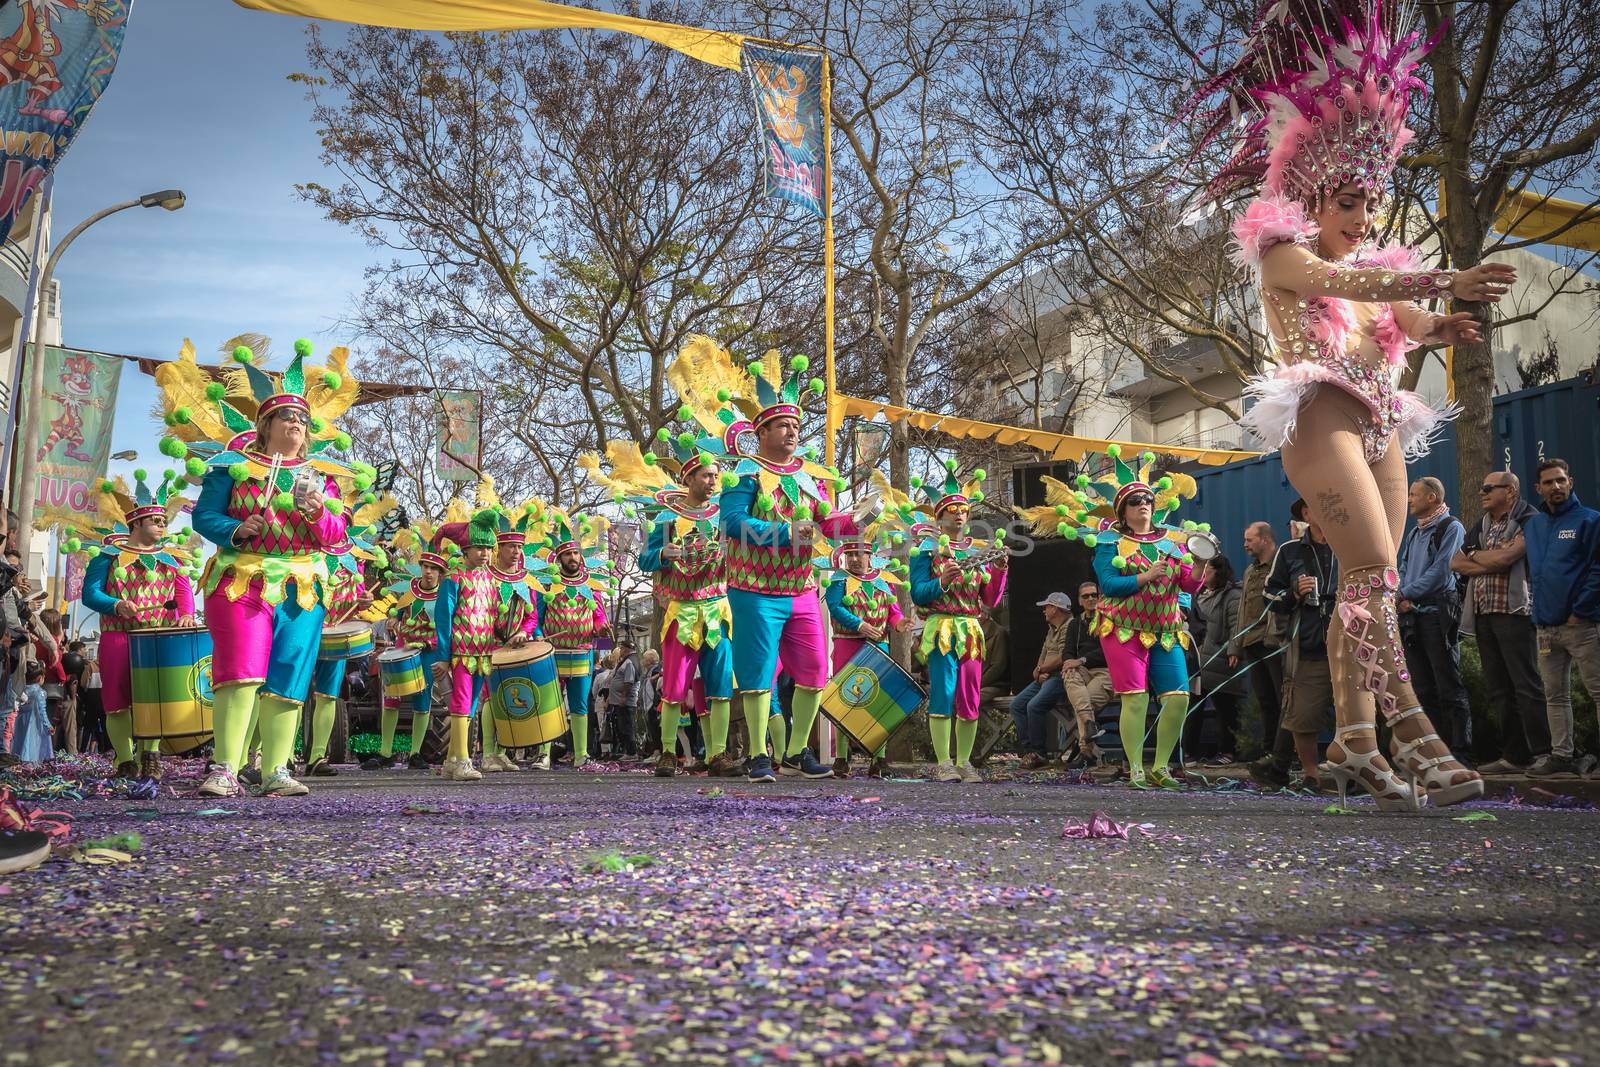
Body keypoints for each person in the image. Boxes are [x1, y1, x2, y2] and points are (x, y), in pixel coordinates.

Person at [1185, 0, 1503, 808]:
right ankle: (1417, 738)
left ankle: (1356, 735)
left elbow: (1404, 319)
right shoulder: (1282, 254)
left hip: (1381, 421)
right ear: (1313, 200)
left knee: (1372, 586)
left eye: (1369, 203)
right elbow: (1343, 283)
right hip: (1321, 414)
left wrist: (1444, 322)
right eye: (1347, 204)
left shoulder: (1379, 263)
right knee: (1373, 569)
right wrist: (1439, 277)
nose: (1362, 219)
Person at [169, 339, 360, 799]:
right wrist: (237, 528)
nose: (295, 423)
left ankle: (277, 769)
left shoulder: (324, 477)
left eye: (302, 419)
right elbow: (204, 517)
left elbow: (338, 536)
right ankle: (225, 769)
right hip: (242, 580)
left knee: (289, 675)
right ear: (265, 425)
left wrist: (318, 513)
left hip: (304, 587)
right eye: (286, 417)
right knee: (240, 672)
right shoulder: (231, 469)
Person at [689, 338, 847, 784]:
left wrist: (858, 522)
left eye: (796, 426)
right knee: (757, 673)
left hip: (801, 589)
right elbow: (733, 523)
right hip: (754, 589)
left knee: (816, 671)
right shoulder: (742, 474)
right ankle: (760, 753)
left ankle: (796, 751)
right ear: (760, 433)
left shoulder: (809, 477)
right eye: (782, 425)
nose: (792, 432)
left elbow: (825, 522)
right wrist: (785, 532)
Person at [584, 428, 737, 779]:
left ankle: (717, 754)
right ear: (690, 478)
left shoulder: (723, 516)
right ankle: (668, 752)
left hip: (717, 608)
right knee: (674, 686)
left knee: (719, 685)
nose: (713, 481)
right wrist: (662, 554)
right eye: (707, 475)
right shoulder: (669, 518)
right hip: (680, 610)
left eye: (716, 475)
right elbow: (644, 558)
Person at [80, 472, 198, 782]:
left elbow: (184, 592)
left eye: (163, 521)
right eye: (155, 521)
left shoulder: (173, 557)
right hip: (117, 635)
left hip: (157, 637)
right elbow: (90, 593)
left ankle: (151, 757)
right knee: (117, 703)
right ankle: (124, 759)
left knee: (154, 700)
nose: (162, 525)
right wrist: (116, 604)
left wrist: (186, 614)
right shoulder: (107, 556)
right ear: (135, 524)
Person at [906, 466, 1008, 783]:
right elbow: (919, 593)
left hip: (970, 629)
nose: (960, 516)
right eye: (953, 510)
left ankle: (965, 761)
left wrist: (1002, 570)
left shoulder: (977, 551)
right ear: (940, 516)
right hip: (941, 627)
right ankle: (943, 762)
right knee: (944, 691)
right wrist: (942, 582)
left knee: (969, 693)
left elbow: (990, 598)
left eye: (964, 510)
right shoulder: (925, 549)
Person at [1451, 471, 1549, 773]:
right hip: (1483, 612)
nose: (1481, 493)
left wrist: (1478, 558)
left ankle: (1543, 753)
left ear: (1511, 491)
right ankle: (1514, 755)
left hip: (1514, 612)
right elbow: (1456, 562)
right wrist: (1490, 559)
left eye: (1488, 488)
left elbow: (1508, 560)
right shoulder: (1481, 524)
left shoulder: (1528, 519)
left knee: (1525, 684)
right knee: (1498, 688)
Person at [1523, 458, 1600, 777]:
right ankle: (1562, 756)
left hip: (1580, 626)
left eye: (1561, 480)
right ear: (1538, 488)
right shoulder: (1534, 526)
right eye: (1549, 482)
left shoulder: (1590, 521)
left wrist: (1580, 611)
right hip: (1545, 628)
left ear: (1571, 482)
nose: (1556, 487)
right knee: (1555, 695)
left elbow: (1597, 570)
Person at [1258, 503, 1336, 793]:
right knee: (1302, 715)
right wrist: (1293, 593)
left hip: (1351, 644)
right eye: (1318, 502)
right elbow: (1268, 594)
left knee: (1356, 715)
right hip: (1309, 644)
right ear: (1306, 513)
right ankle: (1311, 774)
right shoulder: (1290, 551)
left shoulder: (1351, 545)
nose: (1326, 507)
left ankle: (1356, 774)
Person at [822, 521, 909, 779]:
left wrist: (899, 622)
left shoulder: (883, 580)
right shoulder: (839, 580)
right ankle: (841, 758)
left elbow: (892, 609)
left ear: (870, 555)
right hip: (847, 642)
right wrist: (860, 625)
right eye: (849, 555)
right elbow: (835, 607)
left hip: (877, 645)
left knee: (876, 701)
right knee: (844, 700)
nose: (855, 559)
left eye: (859, 554)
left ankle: (878, 760)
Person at [430, 510, 509, 781]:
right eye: (479, 547)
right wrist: (443, 655)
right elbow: (443, 619)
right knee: (461, 702)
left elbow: (492, 615)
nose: (485, 553)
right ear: (465, 550)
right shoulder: (453, 579)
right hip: (461, 652)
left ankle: (452, 760)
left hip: (483, 652)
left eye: (489, 547)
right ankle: (463, 760)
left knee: (471, 704)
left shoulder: (490, 580)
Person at [363, 532, 450, 771]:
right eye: (425, 567)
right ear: (420, 568)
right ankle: (385, 752)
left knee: (423, 701)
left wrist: (428, 644)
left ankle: (415, 754)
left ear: (441, 574)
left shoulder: (446, 596)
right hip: (403, 651)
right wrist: (394, 621)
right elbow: (398, 615)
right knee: (391, 700)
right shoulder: (409, 591)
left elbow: (446, 628)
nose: (429, 572)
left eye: (434, 568)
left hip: (428, 652)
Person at [1397, 477, 1471, 754]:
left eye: (1414, 494)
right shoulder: (1415, 533)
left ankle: (1460, 753)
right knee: (1423, 689)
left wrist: (1404, 594)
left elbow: (1441, 573)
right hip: (1412, 618)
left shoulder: (1451, 528)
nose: (1409, 499)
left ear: (1432, 498)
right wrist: (1402, 595)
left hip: (1438, 616)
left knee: (1448, 684)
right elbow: (1402, 567)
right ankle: (1434, 753)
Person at [535, 508, 611, 771]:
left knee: (579, 704)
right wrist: (537, 639)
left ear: (581, 556)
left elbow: (599, 616)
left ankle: (581, 755)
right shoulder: (547, 584)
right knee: (548, 704)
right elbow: (536, 618)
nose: (572, 557)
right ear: (558, 558)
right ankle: (542, 755)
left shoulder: (591, 585)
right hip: (552, 652)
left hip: (582, 651)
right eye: (566, 553)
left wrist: (602, 630)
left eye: (575, 552)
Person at [1010, 592, 1072, 771]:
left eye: (1046, 607)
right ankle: (1030, 752)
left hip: (1060, 677)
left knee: (1034, 706)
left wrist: (1043, 670)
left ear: (1055, 608)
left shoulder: (1070, 626)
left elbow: (1062, 656)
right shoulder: (1051, 628)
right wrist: (1038, 672)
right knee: (1017, 705)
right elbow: (1043, 654)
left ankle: (1039, 753)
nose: (1044, 610)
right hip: (1044, 677)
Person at [1190, 555, 1244, 764]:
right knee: (1193, 707)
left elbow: (1236, 626)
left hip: (1220, 659)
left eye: (1208, 570)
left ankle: (1227, 752)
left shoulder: (1232, 596)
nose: (1203, 574)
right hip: (1198, 659)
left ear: (1219, 571)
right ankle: (1189, 753)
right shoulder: (1199, 594)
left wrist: (1234, 650)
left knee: (1225, 707)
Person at [1238, 521, 1286, 753]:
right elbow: (1242, 610)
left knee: (1282, 699)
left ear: (1265, 540)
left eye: (1249, 540)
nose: (1245, 544)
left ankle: (1285, 753)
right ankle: (1270, 751)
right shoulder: (1250, 571)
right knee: (1265, 702)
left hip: (1273, 643)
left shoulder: (1280, 565)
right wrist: (1235, 646)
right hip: (1252, 642)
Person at [1061, 581, 1111, 768]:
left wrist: (1080, 660)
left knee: (1082, 702)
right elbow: (1067, 651)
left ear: (1100, 597)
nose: (1090, 599)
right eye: (1086, 596)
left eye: (1094, 595)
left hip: (1105, 672)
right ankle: (1090, 724)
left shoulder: (1109, 620)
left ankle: (1086, 752)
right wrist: (1068, 662)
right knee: (1070, 674)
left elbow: (1108, 652)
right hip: (1082, 672)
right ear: (1079, 601)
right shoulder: (1075, 623)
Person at [10, 661, 51, 764]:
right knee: (32, 742)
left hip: (20, 720)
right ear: (39, 678)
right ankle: (31, 763)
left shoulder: (20, 689)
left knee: (20, 740)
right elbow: (42, 711)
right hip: (33, 722)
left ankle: (17, 760)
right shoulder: (39, 692)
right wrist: (48, 725)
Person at [606, 639, 640, 759]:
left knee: (627, 726)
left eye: (621, 648)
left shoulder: (630, 662)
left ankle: (632, 752)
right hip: (618, 701)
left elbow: (629, 681)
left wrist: (624, 696)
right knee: (622, 726)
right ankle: (627, 751)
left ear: (626, 649)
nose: (620, 651)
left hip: (626, 702)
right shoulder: (626, 661)